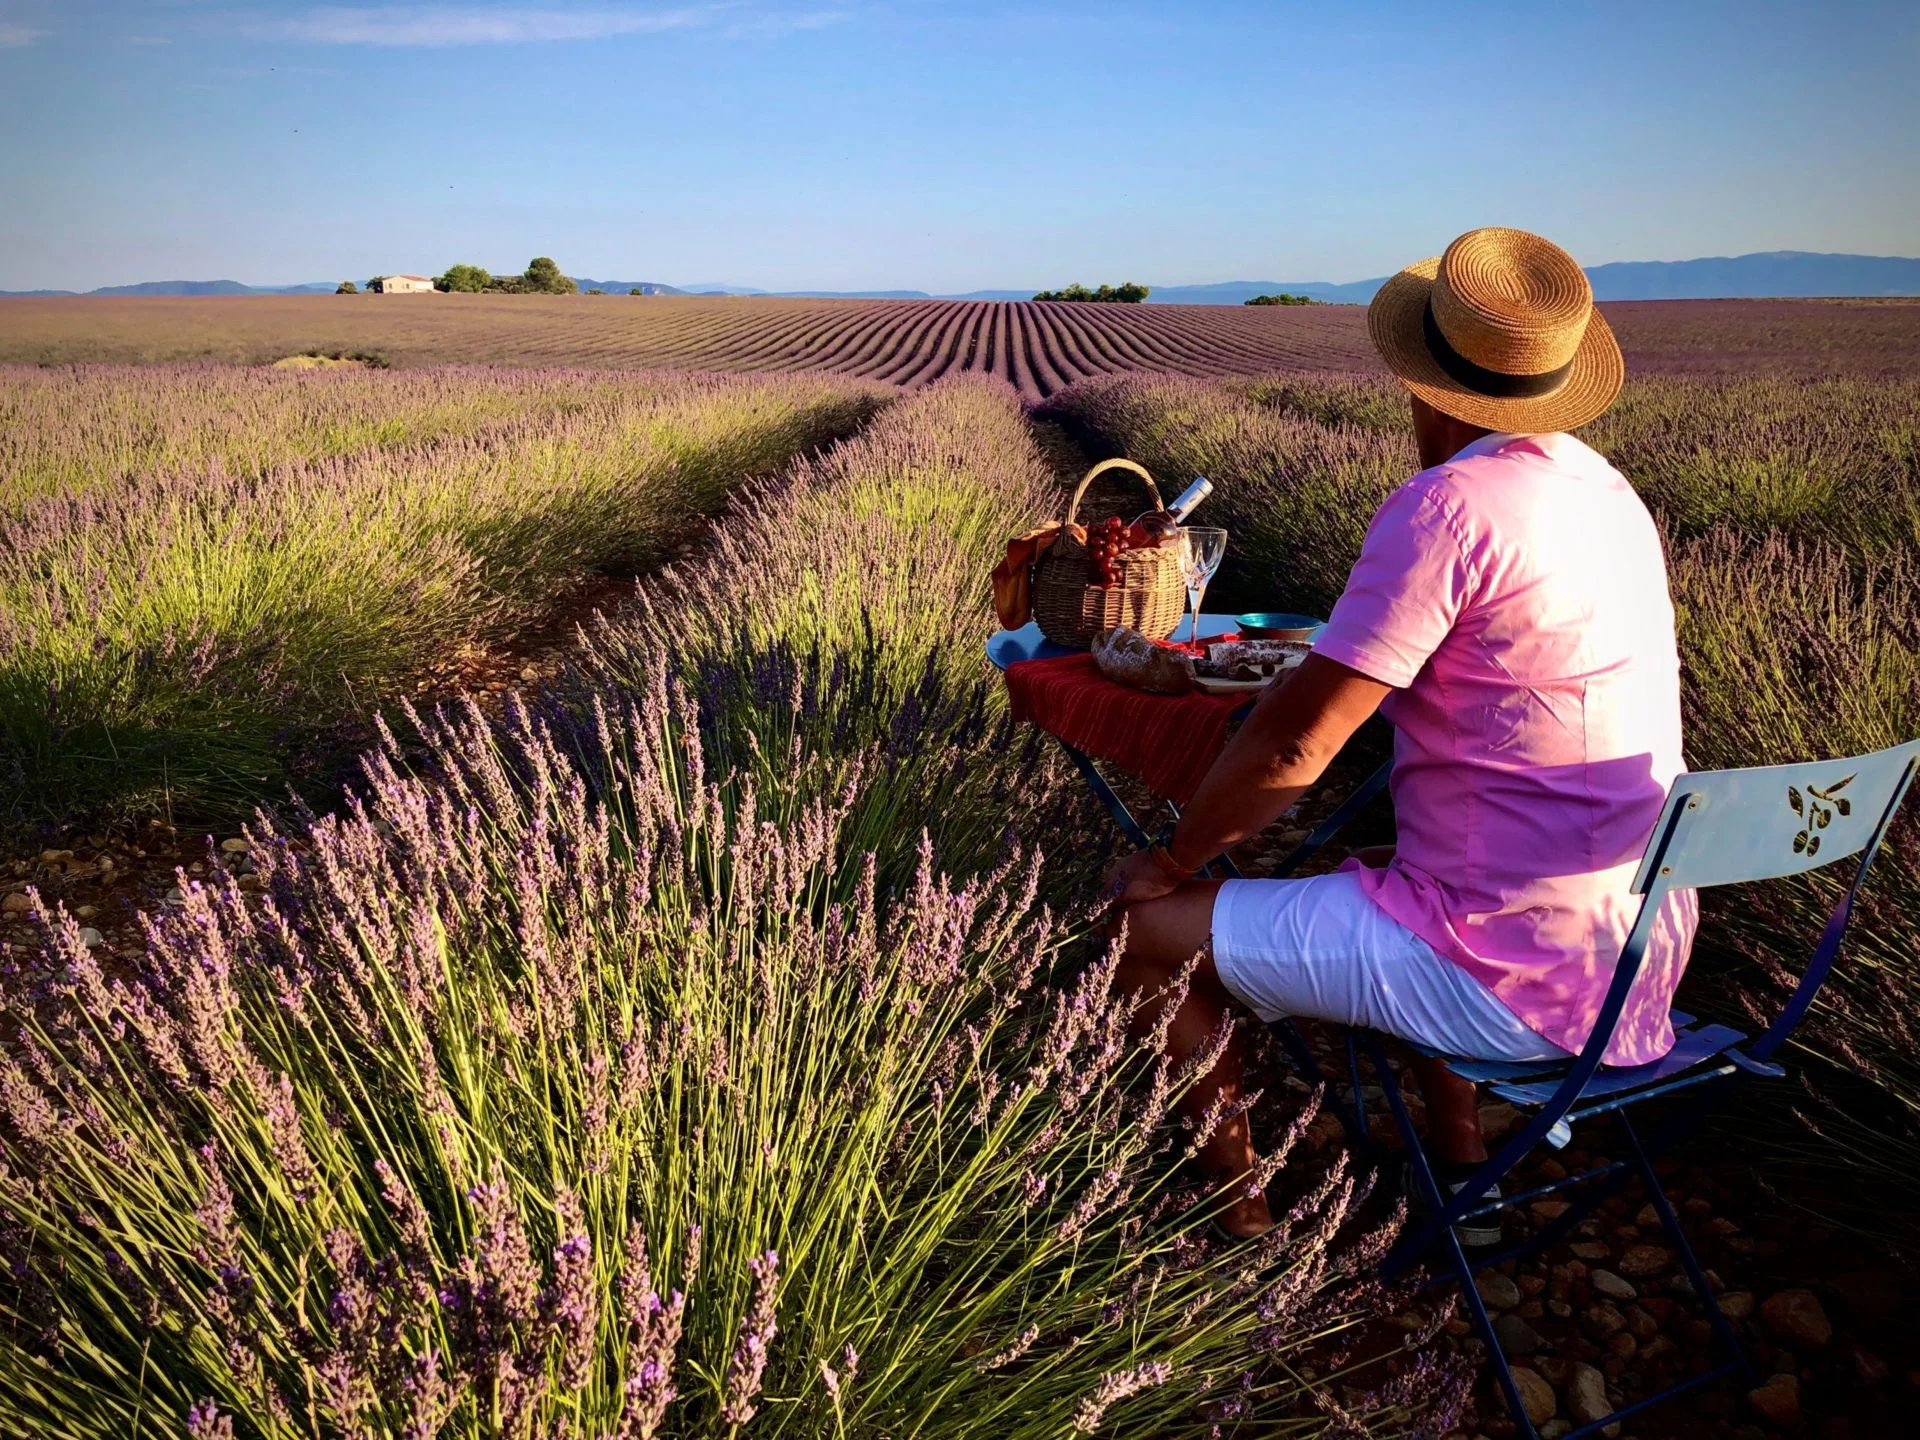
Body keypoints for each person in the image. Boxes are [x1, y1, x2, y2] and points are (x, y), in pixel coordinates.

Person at [1105, 227, 1697, 1241]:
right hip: (1634, 959)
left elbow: (1298, 746)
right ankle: (1463, 1165)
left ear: (1425, 381)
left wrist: (1173, 857)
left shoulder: (1446, 509)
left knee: (1142, 935)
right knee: (1372, 856)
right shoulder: (1608, 491)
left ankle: (1240, 1229)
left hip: (1507, 979)